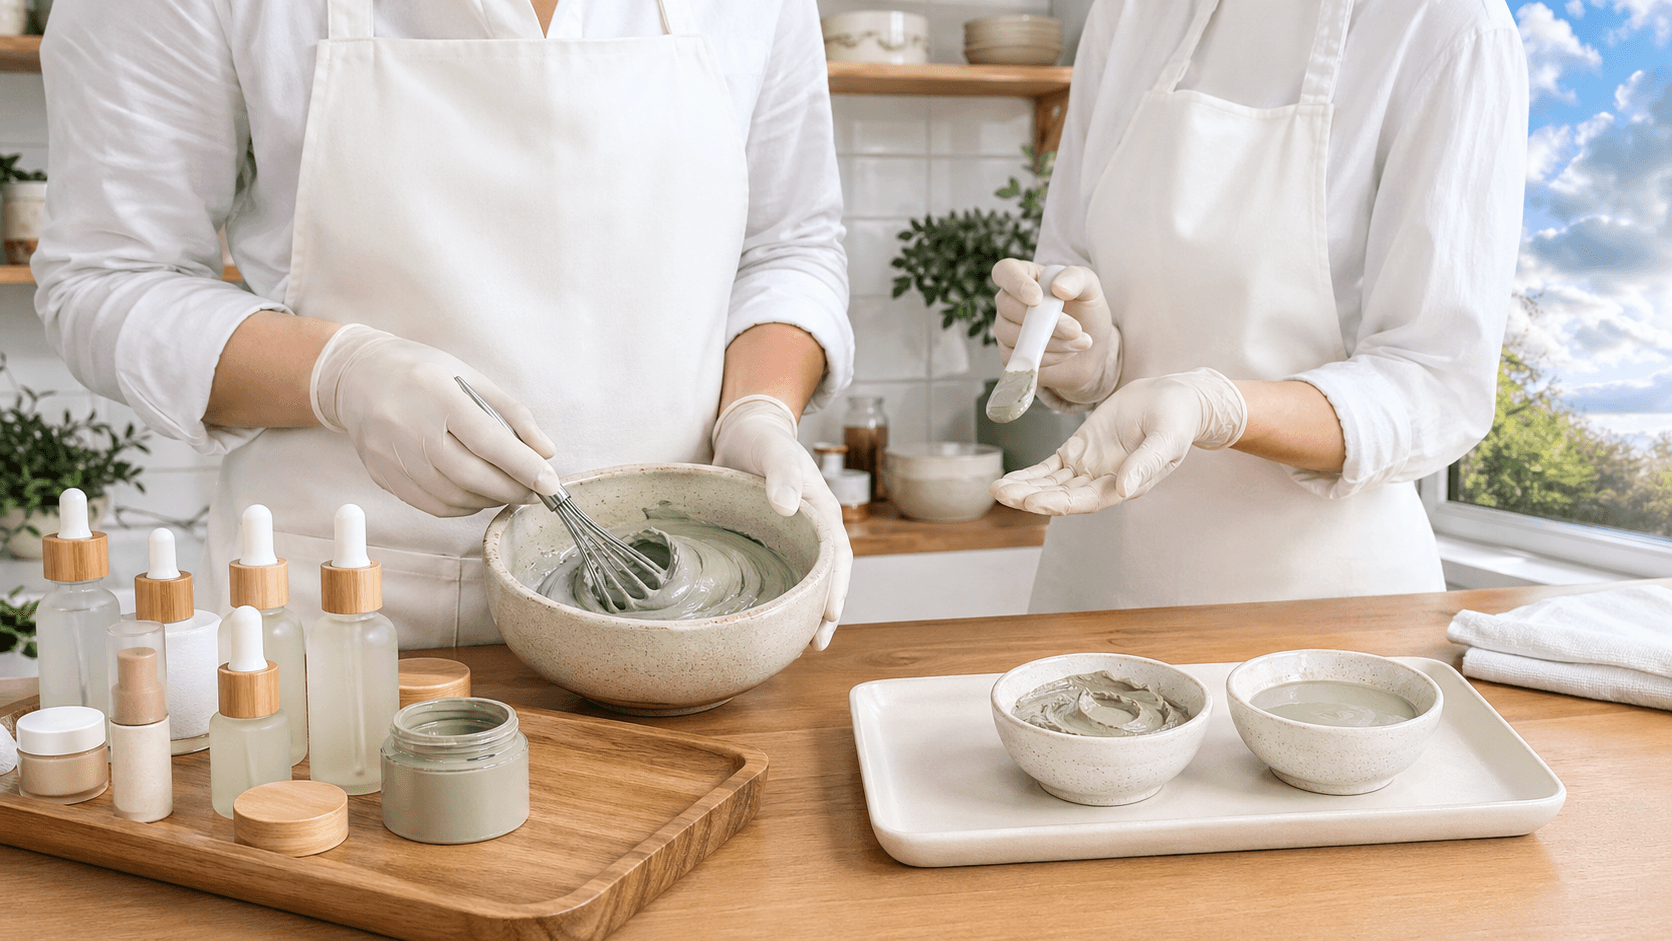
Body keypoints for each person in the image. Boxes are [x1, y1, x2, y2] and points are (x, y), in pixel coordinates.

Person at [33, 0, 853, 649]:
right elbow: (110, 275)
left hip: (686, 628)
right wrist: (343, 376)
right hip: (347, 627)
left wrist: (760, 410)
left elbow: (792, 245)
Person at [987, 0, 1527, 612]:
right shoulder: (1128, 13)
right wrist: (1080, 355)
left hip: (1318, 607)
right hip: (1103, 581)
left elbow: (1438, 384)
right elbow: (1071, 264)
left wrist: (1218, 407)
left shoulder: (1445, 23)